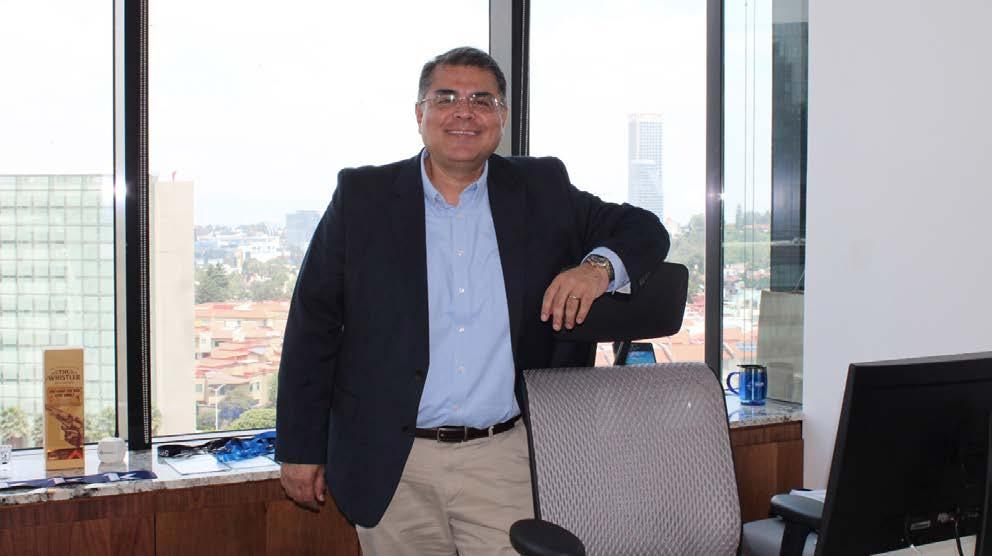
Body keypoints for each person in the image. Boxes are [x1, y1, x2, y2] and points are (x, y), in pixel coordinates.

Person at [276, 46, 670, 555]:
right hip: (392, 462)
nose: (464, 112)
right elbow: (313, 327)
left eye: (482, 100)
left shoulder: (542, 188)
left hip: (505, 457)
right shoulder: (362, 197)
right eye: (446, 98)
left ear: (501, 117)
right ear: (419, 113)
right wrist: (300, 448)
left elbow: (645, 229)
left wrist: (596, 270)